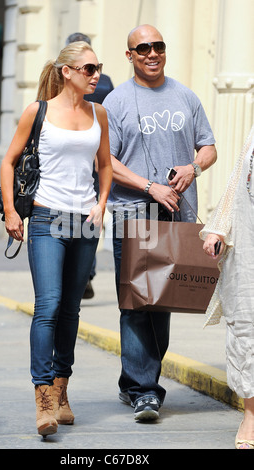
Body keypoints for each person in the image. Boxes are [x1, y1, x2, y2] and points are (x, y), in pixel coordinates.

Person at [102, 24, 217, 421]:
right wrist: (150, 186)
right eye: (143, 48)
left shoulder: (185, 96)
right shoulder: (116, 102)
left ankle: (132, 382)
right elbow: (108, 162)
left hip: (176, 218)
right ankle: (144, 390)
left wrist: (192, 168)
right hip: (133, 217)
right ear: (130, 55)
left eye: (159, 46)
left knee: (162, 303)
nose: (153, 53)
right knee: (137, 304)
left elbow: (209, 147)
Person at [0, 41, 112, 437]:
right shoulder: (39, 111)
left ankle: (62, 388)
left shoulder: (99, 112)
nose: (95, 75)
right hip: (47, 217)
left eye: (98, 68)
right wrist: (13, 212)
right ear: (67, 72)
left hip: (84, 220)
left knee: (70, 310)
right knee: (47, 305)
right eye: (88, 69)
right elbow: (9, 161)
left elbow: (104, 165)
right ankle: (43, 397)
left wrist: (101, 204)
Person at [201, 124, 254, 449]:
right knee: (246, 325)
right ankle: (251, 414)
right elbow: (239, 180)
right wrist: (219, 229)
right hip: (248, 245)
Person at [66, 32, 114, 298]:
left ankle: (82, 270)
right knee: (89, 213)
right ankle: (85, 271)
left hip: (87, 158)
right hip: (95, 157)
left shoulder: (100, 83)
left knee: (85, 212)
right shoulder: (106, 82)